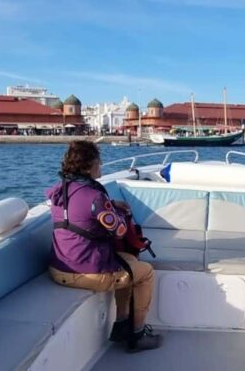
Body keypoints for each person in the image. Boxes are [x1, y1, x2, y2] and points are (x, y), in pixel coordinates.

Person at [46, 140, 162, 353]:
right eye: (99, 161)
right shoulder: (95, 197)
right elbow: (119, 230)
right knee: (145, 273)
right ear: (89, 165)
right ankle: (137, 334)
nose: (101, 165)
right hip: (87, 272)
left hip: (58, 268)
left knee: (129, 261)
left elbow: (80, 213)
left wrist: (110, 205)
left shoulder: (59, 191)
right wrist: (115, 209)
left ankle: (120, 326)